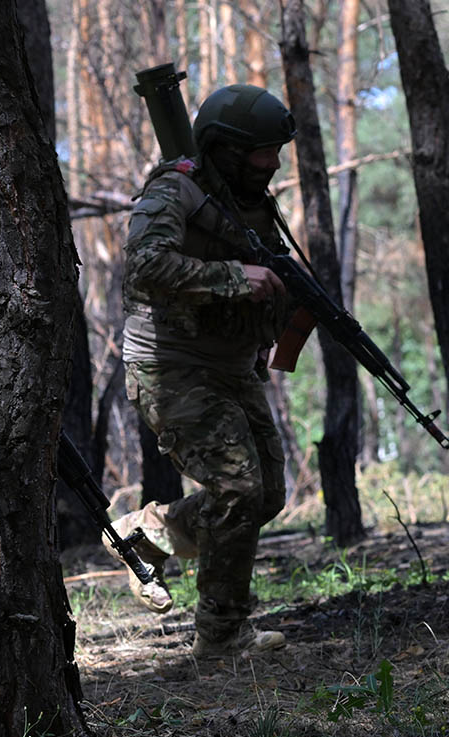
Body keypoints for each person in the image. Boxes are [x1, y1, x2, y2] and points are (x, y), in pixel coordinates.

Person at [110, 84, 297, 658]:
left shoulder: (251, 199)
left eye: (276, 151)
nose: (273, 163)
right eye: (262, 152)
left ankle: (150, 532)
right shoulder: (175, 189)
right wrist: (238, 280)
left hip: (231, 363)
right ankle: (221, 635)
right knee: (238, 488)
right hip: (169, 362)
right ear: (225, 148)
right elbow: (144, 265)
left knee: (262, 497)